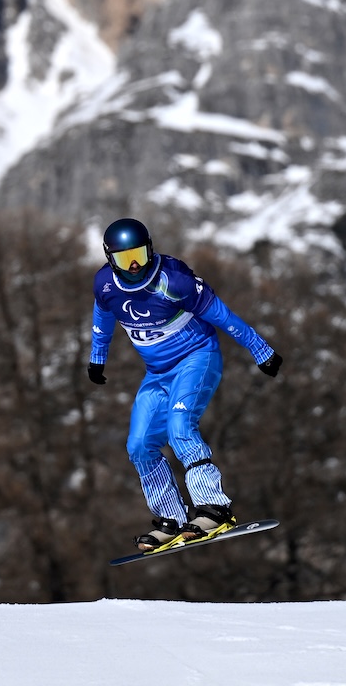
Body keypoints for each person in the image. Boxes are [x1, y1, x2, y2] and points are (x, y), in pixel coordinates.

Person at [87, 217, 283, 553]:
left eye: (139, 255)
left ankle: (213, 508)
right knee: (139, 445)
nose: (134, 266)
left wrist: (260, 349)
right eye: (123, 259)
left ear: (150, 249)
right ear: (110, 260)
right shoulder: (106, 285)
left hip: (197, 358)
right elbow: (103, 319)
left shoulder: (173, 280)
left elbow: (222, 315)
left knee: (180, 427)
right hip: (157, 373)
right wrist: (97, 358)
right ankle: (172, 519)